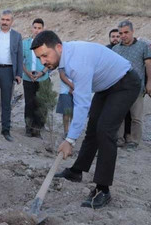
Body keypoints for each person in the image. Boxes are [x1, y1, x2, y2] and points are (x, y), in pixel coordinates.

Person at [31, 30, 140, 209]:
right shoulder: (64, 55)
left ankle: (103, 189)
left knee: (105, 131)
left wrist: (70, 140)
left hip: (125, 84)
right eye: (39, 58)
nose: (43, 61)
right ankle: (76, 171)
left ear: (58, 47)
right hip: (105, 86)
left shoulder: (76, 62)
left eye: (45, 55)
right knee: (93, 128)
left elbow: (81, 104)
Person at [0, 9, 23, 142]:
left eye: (7, 20)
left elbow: (19, 56)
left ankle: (6, 130)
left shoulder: (17, 36)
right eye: (3, 19)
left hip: (8, 71)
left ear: (12, 21)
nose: (4, 22)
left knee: (6, 102)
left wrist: (18, 74)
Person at [113, 20, 151, 150]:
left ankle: (134, 141)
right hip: (120, 88)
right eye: (121, 33)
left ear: (132, 31)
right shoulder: (116, 49)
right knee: (119, 115)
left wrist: (149, 83)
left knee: (136, 118)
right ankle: (119, 139)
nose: (123, 35)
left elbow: (148, 65)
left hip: (137, 88)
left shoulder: (142, 46)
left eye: (126, 32)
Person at [22, 18, 49, 138]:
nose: (37, 30)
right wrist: (27, 73)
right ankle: (29, 127)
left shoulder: (48, 44)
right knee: (29, 104)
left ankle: (38, 128)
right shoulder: (25, 43)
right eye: (35, 28)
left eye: (39, 28)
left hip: (42, 78)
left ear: (43, 29)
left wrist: (42, 73)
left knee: (41, 104)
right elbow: (20, 60)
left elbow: (50, 61)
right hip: (28, 78)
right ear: (32, 28)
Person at [56, 69, 73, 138]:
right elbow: (62, 76)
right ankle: (66, 132)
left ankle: (72, 132)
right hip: (65, 90)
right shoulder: (64, 60)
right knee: (66, 112)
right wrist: (73, 87)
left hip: (77, 89)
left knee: (74, 112)